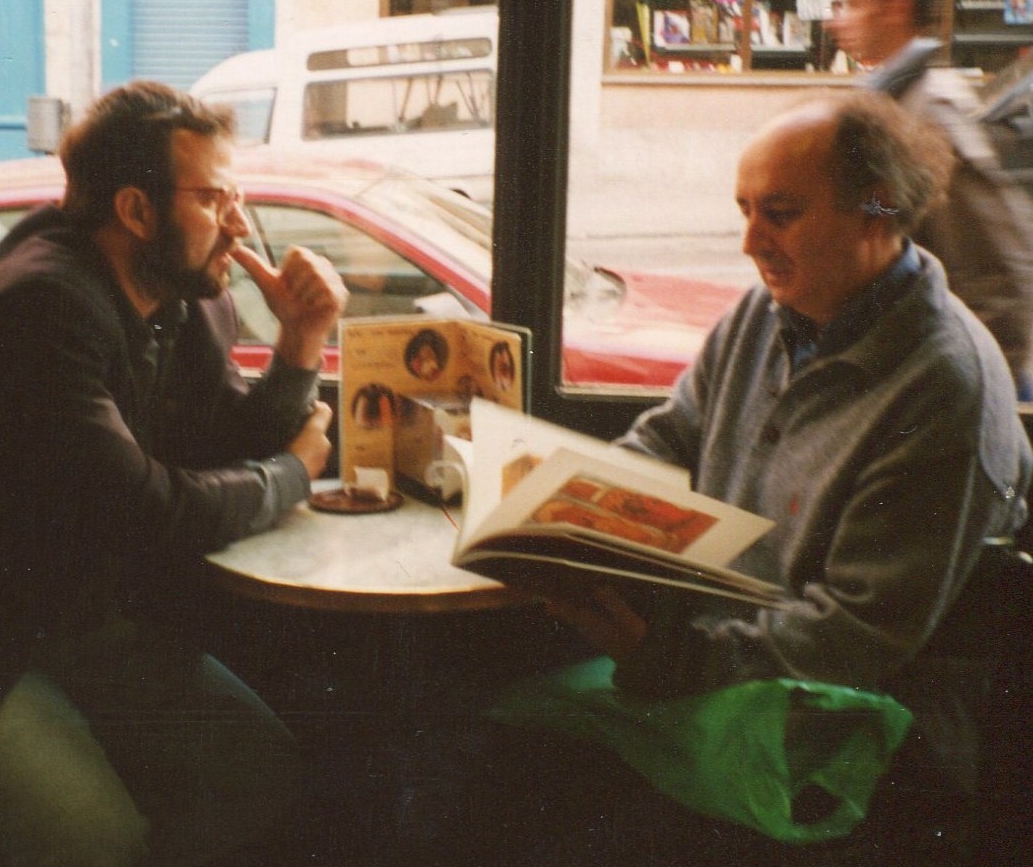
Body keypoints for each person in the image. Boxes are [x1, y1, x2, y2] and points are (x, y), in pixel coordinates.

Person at [407, 91, 1030, 866]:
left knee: (515, 775)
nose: (747, 241)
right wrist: (565, 513)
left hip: (845, 734)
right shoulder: (764, 315)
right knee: (472, 723)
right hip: (720, 661)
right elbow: (668, 438)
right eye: (742, 210)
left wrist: (663, 659)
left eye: (779, 212)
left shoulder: (945, 387)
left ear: (878, 212)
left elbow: (851, 639)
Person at [0, 81, 348, 865]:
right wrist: (293, 475)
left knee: (257, 771)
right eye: (213, 198)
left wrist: (301, 342)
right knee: (97, 840)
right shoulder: (40, 305)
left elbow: (216, 445)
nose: (238, 223)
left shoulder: (183, 295)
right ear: (136, 211)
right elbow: (149, 509)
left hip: (60, 618)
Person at [828, 0, 1033, 399]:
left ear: (895, 10)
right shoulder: (886, 96)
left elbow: (994, 264)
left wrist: (982, 384)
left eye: (853, 4)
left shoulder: (932, 110)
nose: (836, 19)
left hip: (957, 381)